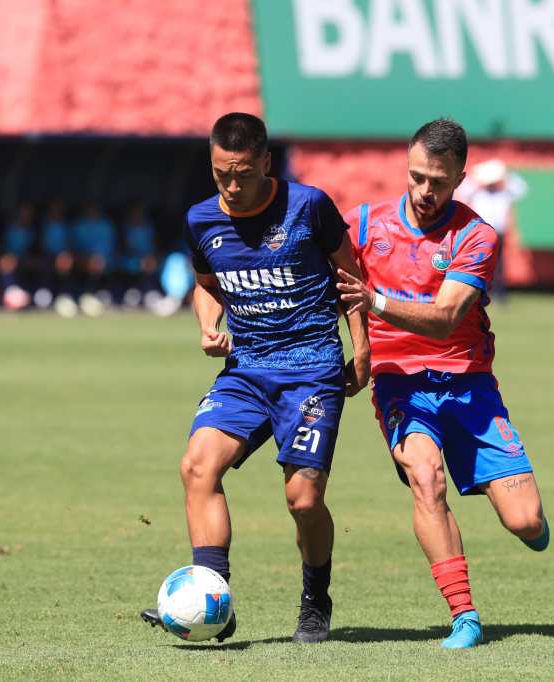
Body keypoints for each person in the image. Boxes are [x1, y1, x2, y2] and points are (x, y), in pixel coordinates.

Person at [140, 112, 370, 643]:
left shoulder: (309, 206)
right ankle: (213, 598)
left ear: (267, 162)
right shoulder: (202, 220)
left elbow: (351, 273)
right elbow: (205, 284)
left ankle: (316, 598)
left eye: (243, 173)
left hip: (311, 369)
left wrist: (363, 349)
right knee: (197, 466)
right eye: (222, 174)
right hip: (246, 370)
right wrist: (206, 325)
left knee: (303, 500)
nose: (233, 186)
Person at [335, 118, 549, 650]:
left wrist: (376, 301)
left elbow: (447, 315)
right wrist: (359, 350)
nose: (425, 191)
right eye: (416, 177)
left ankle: (529, 523)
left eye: (438, 181)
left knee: (524, 522)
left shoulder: (476, 235)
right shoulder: (363, 226)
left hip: (470, 385)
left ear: (460, 177)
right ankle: (465, 616)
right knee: (425, 477)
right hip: (400, 383)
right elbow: (310, 268)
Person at [458, 159, 527, 303]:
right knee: (477, 263)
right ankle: (476, 294)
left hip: (498, 232)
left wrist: (504, 176)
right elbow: (462, 192)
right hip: (479, 233)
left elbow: (521, 189)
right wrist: (479, 180)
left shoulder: (503, 191)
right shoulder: (478, 191)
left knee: (499, 265)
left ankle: (499, 295)